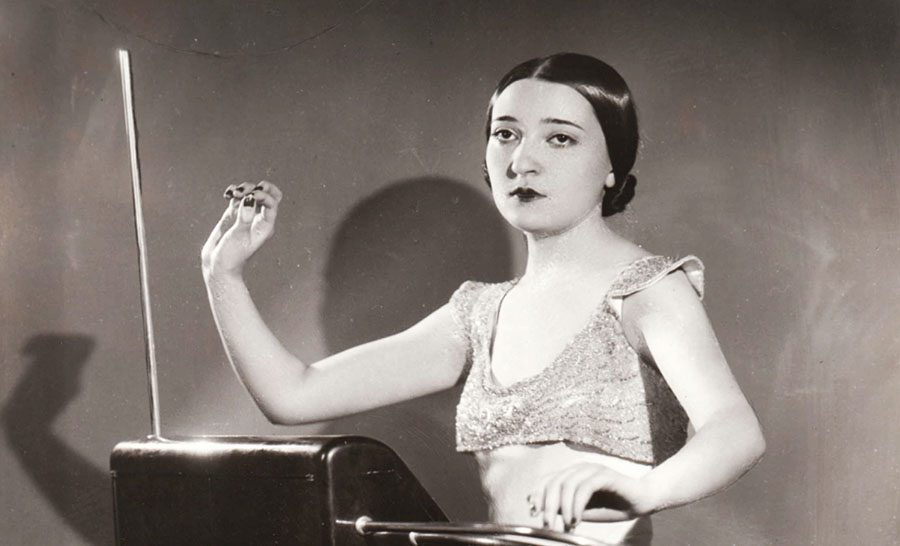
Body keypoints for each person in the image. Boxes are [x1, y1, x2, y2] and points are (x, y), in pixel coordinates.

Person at [201, 53, 765, 546]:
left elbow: (736, 430)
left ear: (611, 166)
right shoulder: (477, 315)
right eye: (506, 134)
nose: (523, 162)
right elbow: (293, 396)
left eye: (560, 138)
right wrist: (223, 274)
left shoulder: (646, 290)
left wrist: (644, 491)